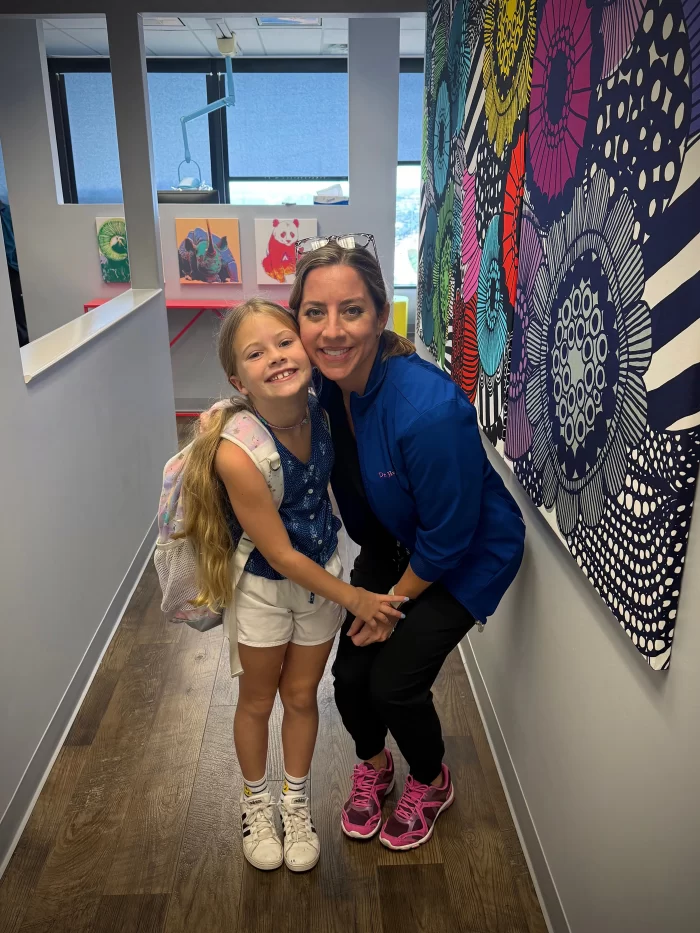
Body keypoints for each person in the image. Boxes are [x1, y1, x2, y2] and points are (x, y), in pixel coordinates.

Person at [288, 238, 526, 851]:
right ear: (298, 321)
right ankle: (375, 765)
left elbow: (449, 537)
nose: (332, 331)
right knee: (349, 678)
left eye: (352, 311)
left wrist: (388, 606)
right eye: (314, 312)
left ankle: (430, 779)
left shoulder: (427, 410)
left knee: (393, 683)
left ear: (379, 315)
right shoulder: (325, 387)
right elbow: (264, 399)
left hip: (465, 555)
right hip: (397, 538)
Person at [181, 297, 405, 873]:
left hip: (320, 582)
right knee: (258, 700)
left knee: (302, 697)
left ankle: (295, 803)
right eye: (256, 354)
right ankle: (256, 805)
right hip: (264, 587)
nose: (277, 357)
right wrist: (356, 598)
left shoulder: (321, 408)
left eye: (285, 342)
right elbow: (279, 553)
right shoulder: (237, 453)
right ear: (239, 380)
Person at [0, 199, 28, 346]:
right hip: (8, 267)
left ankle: (23, 346)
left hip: (13, 269)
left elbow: (12, 243)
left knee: (18, 312)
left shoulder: (7, 211)